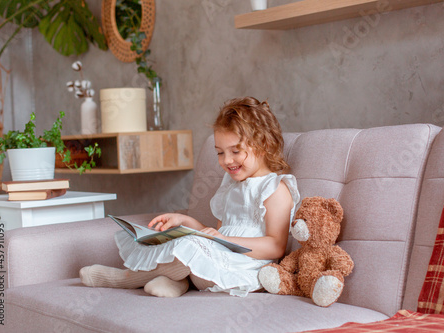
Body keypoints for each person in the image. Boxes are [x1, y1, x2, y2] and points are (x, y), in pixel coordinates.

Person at [80, 96, 300, 297]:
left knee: (191, 246)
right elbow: (216, 233)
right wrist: (184, 222)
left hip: (246, 268)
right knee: (183, 239)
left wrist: (222, 240)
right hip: (217, 260)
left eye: (235, 151)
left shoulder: (274, 188)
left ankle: (124, 279)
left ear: (264, 146)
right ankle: (178, 283)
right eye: (220, 152)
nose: (227, 160)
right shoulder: (231, 186)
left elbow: (276, 246)